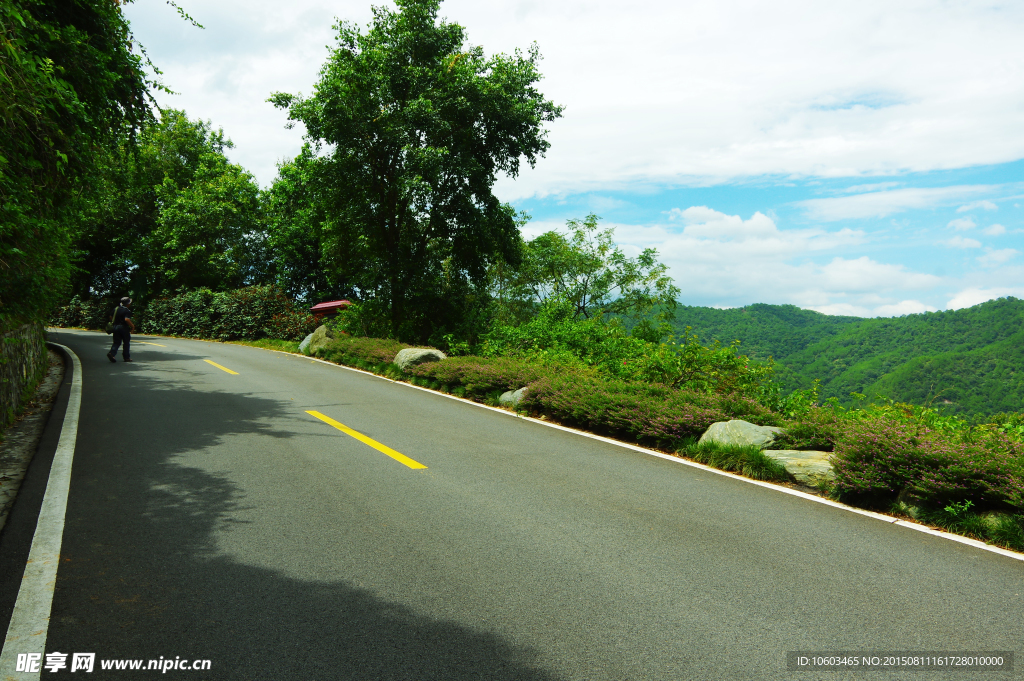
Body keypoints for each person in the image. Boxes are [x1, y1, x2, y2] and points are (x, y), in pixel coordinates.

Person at [107, 297, 135, 363]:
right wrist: (132, 326)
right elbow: (127, 319)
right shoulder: (127, 311)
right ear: (128, 304)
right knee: (126, 343)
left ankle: (112, 354)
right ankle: (126, 357)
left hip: (115, 327)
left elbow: (110, 317)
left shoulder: (116, 309)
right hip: (123, 327)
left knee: (116, 342)